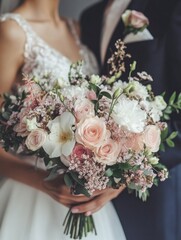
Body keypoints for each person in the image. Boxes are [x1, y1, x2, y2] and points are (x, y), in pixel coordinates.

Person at [0, 0, 126, 239]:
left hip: (91, 206)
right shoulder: (11, 32)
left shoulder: (77, 28)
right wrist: (45, 183)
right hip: (29, 199)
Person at [80, 0, 181, 239]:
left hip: (156, 191)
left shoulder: (172, 6)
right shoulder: (89, 18)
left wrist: (129, 172)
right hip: (93, 194)